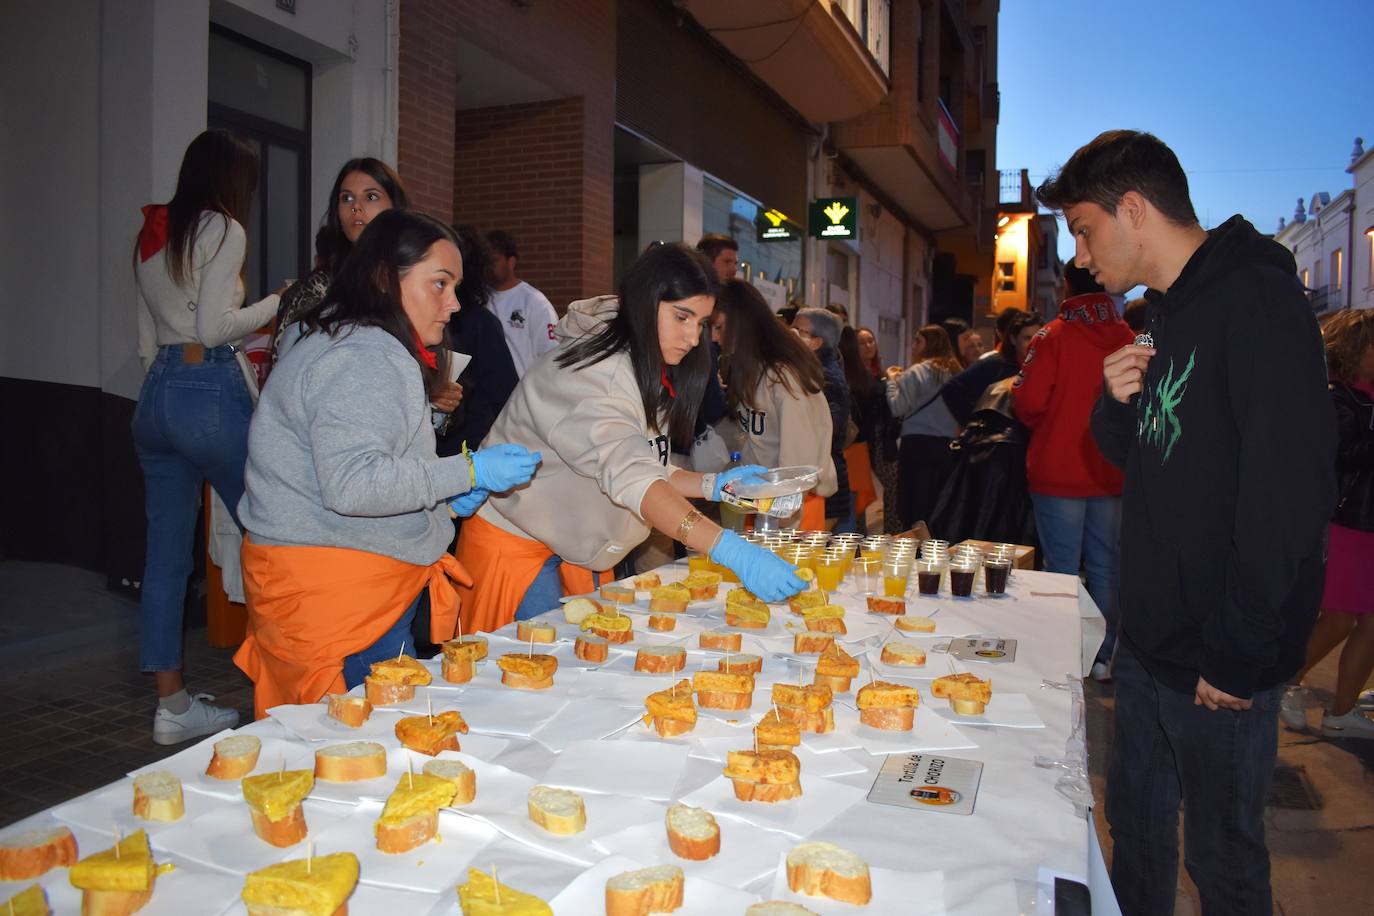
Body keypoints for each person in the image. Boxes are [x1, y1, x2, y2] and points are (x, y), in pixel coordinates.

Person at [1041, 129, 1336, 915]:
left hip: (1219, 656)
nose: (1080, 255)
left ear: (1132, 209)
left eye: (1084, 229)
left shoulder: (1259, 301)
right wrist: (1113, 401)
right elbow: (1138, 458)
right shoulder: (1165, 315)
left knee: (1223, 860)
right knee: (1134, 832)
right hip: (1151, 642)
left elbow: (1288, 499)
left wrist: (1240, 655)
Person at [233, 210, 539, 717]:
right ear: (383, 279)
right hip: (338, 593)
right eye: (439, 284)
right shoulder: (367, 354)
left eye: (456, 287)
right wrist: (470, 471)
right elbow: (354, 485)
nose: (453, 303)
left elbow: (373, 465)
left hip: (342, 578)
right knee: (364, 743)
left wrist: (444, 500)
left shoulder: (360, 342)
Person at [453, 244, 805, 632]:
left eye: (702, 322)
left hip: (572, 545)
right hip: (516, 544)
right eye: (681, 316)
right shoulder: (597, 372)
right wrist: (730, 549)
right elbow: (634, 477)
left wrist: (714, 486)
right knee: (531, 672)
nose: (692, 337)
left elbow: (645, 464)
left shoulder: (643, 360)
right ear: (644, 300)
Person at [132, 129, 281, 743]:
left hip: (157, 394)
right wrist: (280, 299)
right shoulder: (225, 229)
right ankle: (287, 684)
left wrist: (172, 392)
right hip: (208, 388)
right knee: (273, 529)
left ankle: (172, 709)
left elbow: (146, 340)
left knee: (165, 560)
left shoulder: (151, 232)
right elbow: (216, 325)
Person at [1013, 264, 1134, 680]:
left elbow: (1027, 402)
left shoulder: (1052, 336)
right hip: (1110, 470)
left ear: (1067, 287)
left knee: (1061, 568)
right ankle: (1103, 656)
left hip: (1059, 468)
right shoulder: (1126, 337)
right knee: (1105, 565)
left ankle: (1064, 654)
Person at [1280, 307, 1374, 737]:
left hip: (1364, 522)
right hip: (1349, 523)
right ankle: (1286, 683)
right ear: (1357, 350)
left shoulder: (1362, 398)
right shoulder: (1340, 399)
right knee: (1338, 619)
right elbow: (1336, 458)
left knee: (1366, 622)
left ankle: (1341, 710)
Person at [716, 280, 839, 529]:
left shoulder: (784, 373)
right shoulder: (754, 367)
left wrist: (780, 517)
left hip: (792, 510)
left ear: (740, 323)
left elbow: (798, 459)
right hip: (767, 506)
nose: (714, 337)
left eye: (718, 327)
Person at [273, 158, 406, 363]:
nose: (356, 207)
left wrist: (434, 384)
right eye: (346, 198)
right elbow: (285, 372)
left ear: (395, 206)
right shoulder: (320, 286)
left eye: (371, 196)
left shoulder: (409, 279)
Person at [436, 224, 519, 455]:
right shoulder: (480, 322)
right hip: (465, 451)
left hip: (447, 453)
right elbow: (505, 394)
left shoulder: (474, 322)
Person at [885, 326, 963, 531]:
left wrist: (892, 382)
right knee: (938, 504)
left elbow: (897, 407)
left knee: (913, 505)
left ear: (929, 344)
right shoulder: (956, 372)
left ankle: (916, 553)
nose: (913, 346)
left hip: (916, 445)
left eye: (918, 341)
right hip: (947, 445)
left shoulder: (917, 372)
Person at [792, 308, 851, 529]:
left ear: (816, 342)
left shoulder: (824, 378)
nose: (791, 334)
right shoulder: (812, 370)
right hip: (816, 479)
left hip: (822, 483)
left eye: (799, 330)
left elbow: (828, 431)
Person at [938, 309, 1042, 425]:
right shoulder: (995, 365)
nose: (1033, 343)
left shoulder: (1044, 368)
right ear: (1013, 339)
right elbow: (951, 388)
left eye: (1037, 338)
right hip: (999, 438)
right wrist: (971, 422)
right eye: (1027, 338)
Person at [486, 229, 559, 377]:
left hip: (521, 394)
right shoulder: (479, 298)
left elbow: (551, 356)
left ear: (511, 262)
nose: (488, 267)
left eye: (493, 261)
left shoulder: (535, 302)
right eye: (484, 261)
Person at [858, 327, 902, 534]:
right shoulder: (854, 374)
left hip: (883, 438)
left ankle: (893, 535)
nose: (868, 346)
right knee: (859, 493)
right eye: (862, 342)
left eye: (871, 341)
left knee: (894, 487)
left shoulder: (882, 374)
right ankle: (856, 539)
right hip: (861, 440)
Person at [838, 326, 878, 532]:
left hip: (844, 449)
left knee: (843, 514)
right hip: (860, 450)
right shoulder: (867, 377)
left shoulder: (839, 377)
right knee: (852, 513)